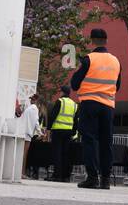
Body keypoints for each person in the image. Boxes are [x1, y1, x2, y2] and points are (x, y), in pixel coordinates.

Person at [70, 27, 119, 189]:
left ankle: (92, 177)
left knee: (90, 141)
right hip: (108, 107)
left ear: (92, 41)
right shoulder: (115, 61)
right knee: (106, 142)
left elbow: (74, 84)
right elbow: (117, 86)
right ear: (106, 41)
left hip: (90, 104)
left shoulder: (88, 59)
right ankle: (105, 179)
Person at [47, 84, 77, 182]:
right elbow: (75, 120)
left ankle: (57, 175)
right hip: (68, 132)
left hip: (58, 131)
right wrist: (73, 132)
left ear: (62, 92)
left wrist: (48, 129)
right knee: (65, 154)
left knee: (57, 154)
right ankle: (65, 176)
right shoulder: (74, 104)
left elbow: (53, 116)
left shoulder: (60, 101)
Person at [18, 94, 43, 179]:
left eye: (32, 99)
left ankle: (21, 172)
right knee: (24, 154)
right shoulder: (34, 109)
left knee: (22, 153)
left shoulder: (28, 109)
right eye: (31, 99)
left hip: (23, 131)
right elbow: (36, 122)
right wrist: (40, 133)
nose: (31, 100)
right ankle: (21, 173)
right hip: (27, 133)